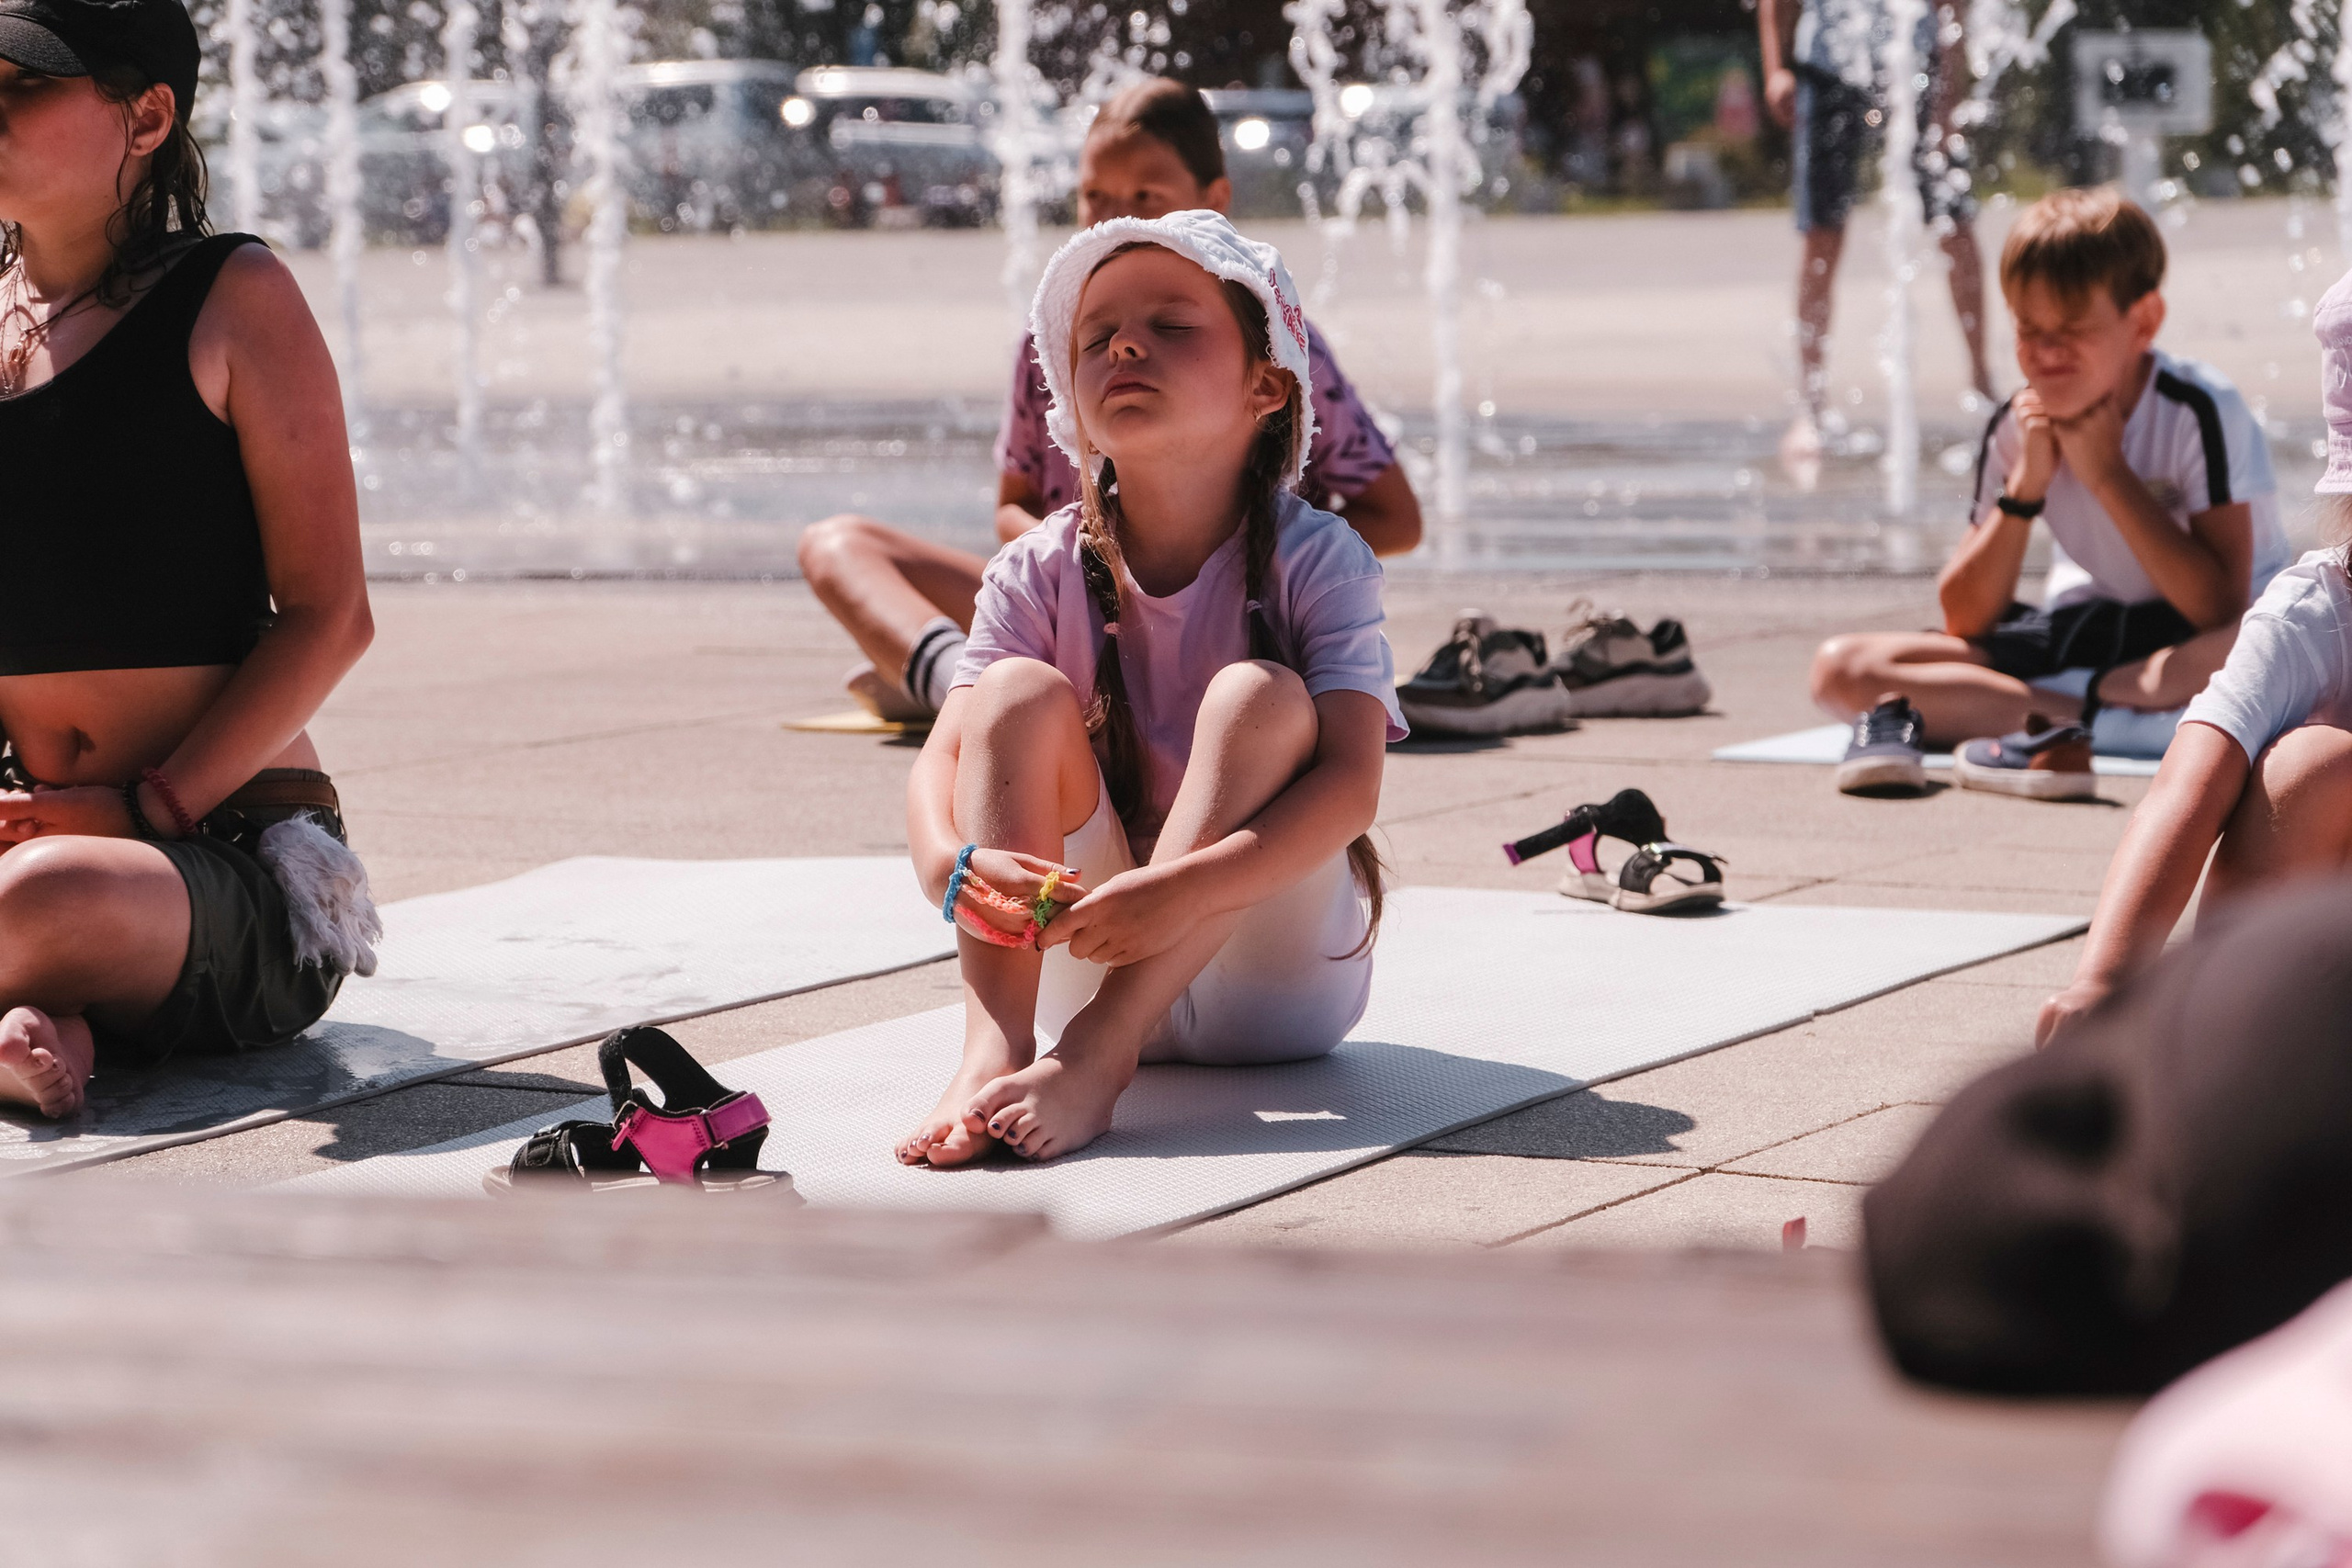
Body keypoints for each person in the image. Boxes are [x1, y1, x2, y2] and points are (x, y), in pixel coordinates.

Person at [898, 210, 1401, 1166]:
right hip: (1081, 954)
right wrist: (945, 867)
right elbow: (943, 758)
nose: (1126, 343)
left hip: (1275, 986)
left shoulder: (1320, 558)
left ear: (1267, 386)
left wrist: (1181, 890)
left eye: (1173, 325)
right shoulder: (1032, 569)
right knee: (1009, 693)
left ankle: (1096, 1057)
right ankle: (993, 1047)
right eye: (1096, 337)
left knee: (1258, 695)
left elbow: (1351, 786)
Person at [0, 0, 375, 1116]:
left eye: (22, 89)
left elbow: (331, 615)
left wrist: (145, 810)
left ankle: (43, 979)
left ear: (148, 114)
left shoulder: (235, 299)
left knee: (53, 894)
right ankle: (44, 1010)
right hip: (29, 829)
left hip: (219, 853)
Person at [797, 77, 1420, 723]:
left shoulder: (1280, 344)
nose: (1116, 213)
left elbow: (1398, 517)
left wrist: (1261, 555)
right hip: (1072, 603)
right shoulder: (1054, 343)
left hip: (1231, 636)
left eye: (1145, 195)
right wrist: (1079, 564)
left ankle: (962, 687)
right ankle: (961, 684)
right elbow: (1012, 504)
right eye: (1095, 196)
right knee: (836, 542)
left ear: (1216, 199)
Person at [1809, 187, 2287, 796]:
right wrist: (2024, 489)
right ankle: (2088, 714)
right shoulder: (2017, 425)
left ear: (2142, 322)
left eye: (2073, 329)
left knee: (2259, 652)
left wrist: (2108, 475)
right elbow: (1965, 616)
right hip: (2090, 640)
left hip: (2204, 638)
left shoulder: (2198, 408)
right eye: (2028, 329)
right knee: (1840, 670)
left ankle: (2046, 712)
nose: (2045, 352)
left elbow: (2217, 605)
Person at [2035, 266, 2352, 1046]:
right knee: (2310, 767)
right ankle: (2221, 1048)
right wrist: (2103, 980)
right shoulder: (2318, 612)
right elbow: (2185, 790)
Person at [1758, 0, 1994, 483]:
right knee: (1821, 236)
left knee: (1954, 225)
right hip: (1826, 64)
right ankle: (1811, 408)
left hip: (1916, 58)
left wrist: (1951, 82)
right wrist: (1775, 68)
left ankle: (1983, 382)